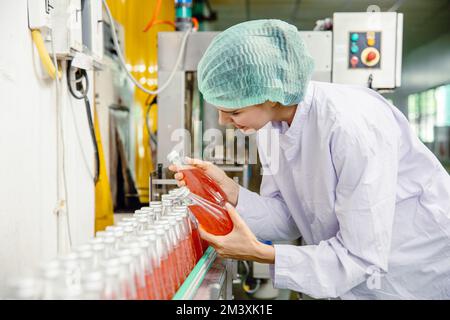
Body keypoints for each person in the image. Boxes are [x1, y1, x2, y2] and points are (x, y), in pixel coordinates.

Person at [169, 19, 450, 299]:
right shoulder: (272, 126)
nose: (223, 121)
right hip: (350, 274)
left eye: (234, 111)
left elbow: (361, 257)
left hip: (411, 275)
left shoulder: (350, 126)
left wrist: (261, 253)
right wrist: (230, 193)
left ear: (270, 95)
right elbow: (290, 216)